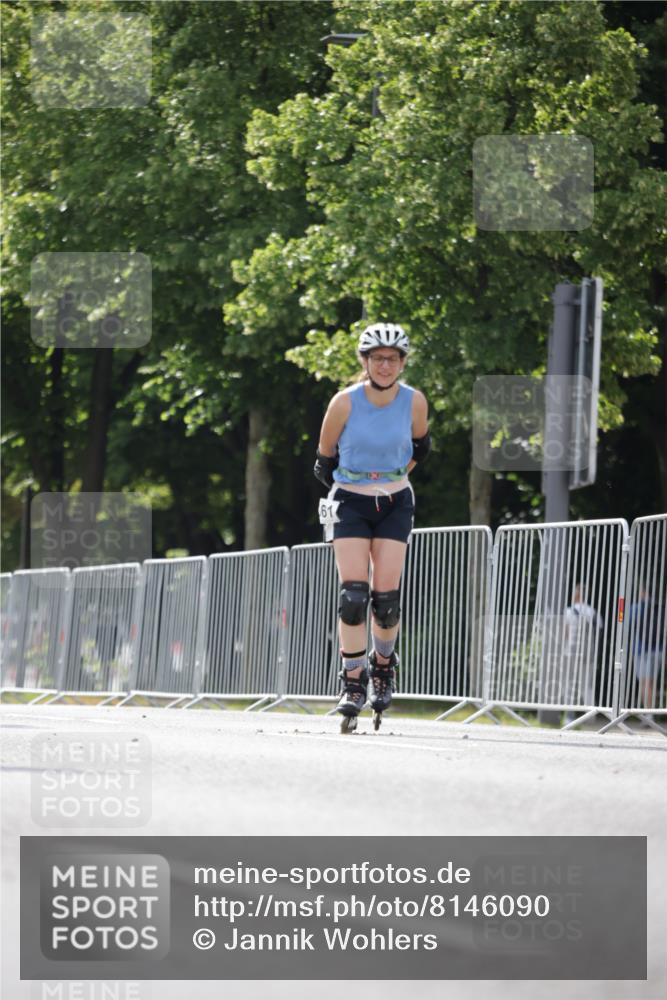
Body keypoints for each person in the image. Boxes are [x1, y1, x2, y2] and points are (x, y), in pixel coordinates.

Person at [313, 322, 430, 729]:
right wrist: (356, 489)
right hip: (349, 500)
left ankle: (383, 668)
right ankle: (352, 682)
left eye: (393, 359)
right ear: (365, 362)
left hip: (396, 501)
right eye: (378, 358)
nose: (385, 365)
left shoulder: (414, 401)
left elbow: (422, 447)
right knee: (353, 597)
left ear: (402, 363)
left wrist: (390, 478)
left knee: (386, 599)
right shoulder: (344, 403)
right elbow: (323, 461)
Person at [562, 583, 603, 725]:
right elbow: (599, 632)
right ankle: (590, 716)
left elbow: (565, 634)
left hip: (572, 653)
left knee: (570, 684)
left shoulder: (568, 611)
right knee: (587, 685)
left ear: (577, 594)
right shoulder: (593, 611)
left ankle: (569, 716)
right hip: (589, 654)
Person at [627, 583, 665, 711]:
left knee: (644, 683)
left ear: (643, 592)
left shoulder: (636, 608)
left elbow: (626, 624)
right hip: (659, 651)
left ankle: (648, 715)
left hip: (641, 650)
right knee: (652, 683)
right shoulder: (660, 608)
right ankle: (650, 713)